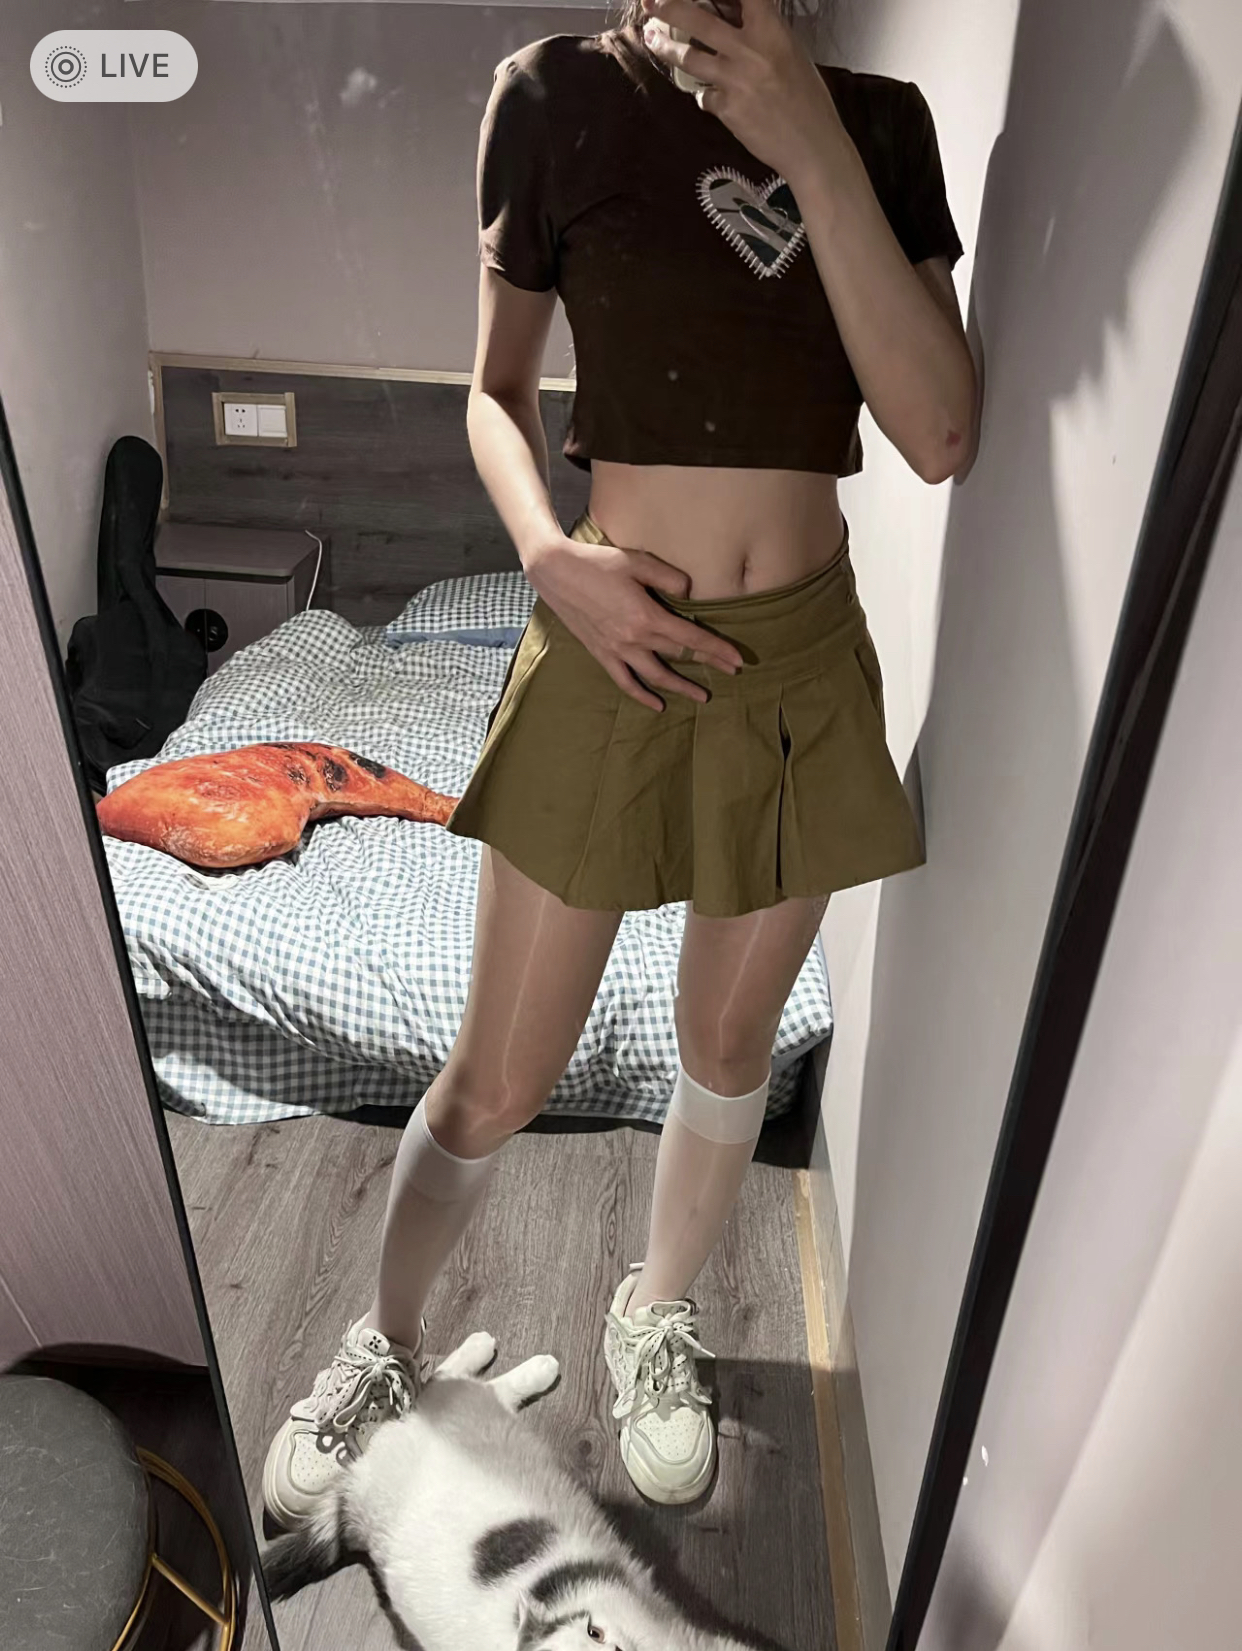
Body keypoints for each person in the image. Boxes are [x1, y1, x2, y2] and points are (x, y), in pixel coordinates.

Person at [263, 0, 976, 1526]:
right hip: (603, 642)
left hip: (796, 669)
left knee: (726, 1045)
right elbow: (493, 393)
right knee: (497, 1077)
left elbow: (936, 432)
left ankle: (653, 1311)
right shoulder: (552, 98)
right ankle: (383, 1339)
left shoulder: (879, 123)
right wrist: (544, 556)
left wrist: (811, 146)